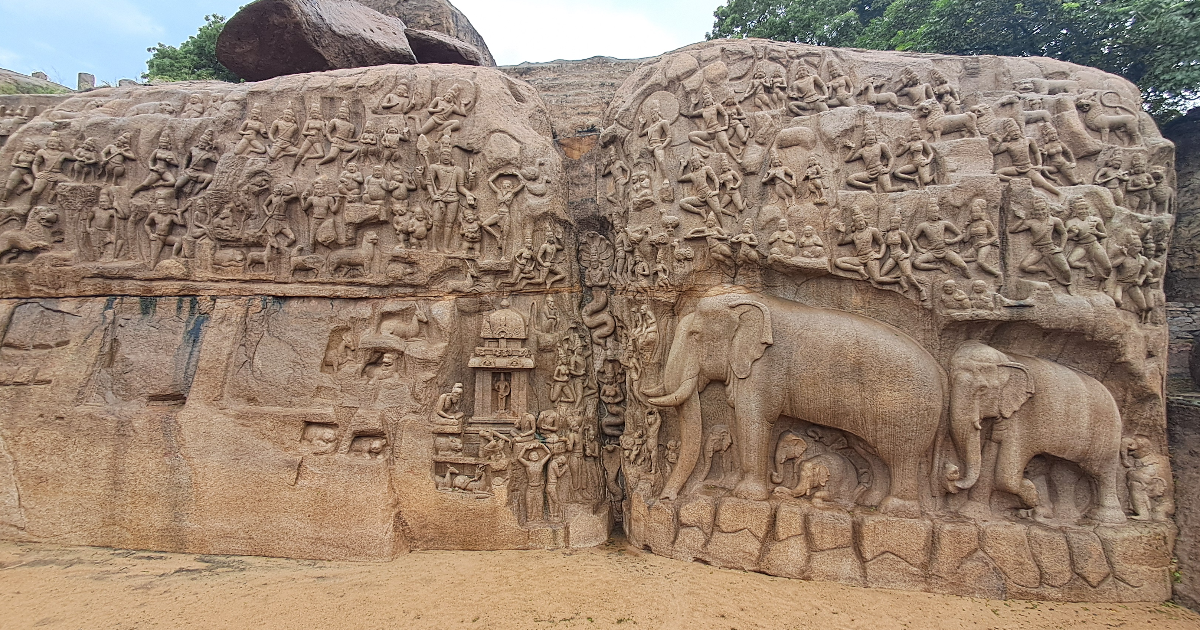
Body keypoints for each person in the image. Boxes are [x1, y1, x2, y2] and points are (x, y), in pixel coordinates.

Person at [912, 200, 971, 278]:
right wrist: (919, 249)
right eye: (933, 213)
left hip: (945, 251)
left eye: (936, 212)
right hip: (932, 252)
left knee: (963, 266)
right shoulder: (923, 225)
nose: (935, 214)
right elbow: (913, 238)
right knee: (916, 263)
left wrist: (952, 241)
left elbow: (960, 235)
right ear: (928, 213)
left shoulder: (944, 223)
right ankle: (939, 267)